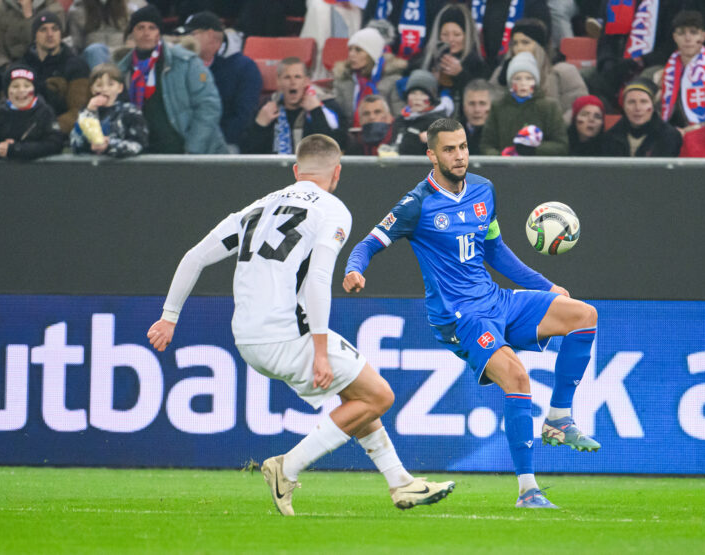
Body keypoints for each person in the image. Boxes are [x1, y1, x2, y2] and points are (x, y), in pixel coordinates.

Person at [147, 134, 455, 516]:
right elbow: (318, 279)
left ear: (296, 171)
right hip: (287, 333)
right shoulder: (332, 209)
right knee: (379, 397)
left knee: (357, 395)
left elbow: (194, 257)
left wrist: (169, 318)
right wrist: (320, 352)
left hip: (247, 337)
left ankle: (400, 482)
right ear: (337, 172)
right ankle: (286, 467)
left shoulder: (256, 207)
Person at [344, 118, 599, 509]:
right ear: (432, 155)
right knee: (516, 375)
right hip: (461, 317)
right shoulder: (416, 204)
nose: (459, 155)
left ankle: (558, 418)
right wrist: (354, 269)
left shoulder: (483, 189)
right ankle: (528, 490)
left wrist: (546, 286)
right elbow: (368, 243)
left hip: (496, 300)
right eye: (449, 149)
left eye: (463, 146)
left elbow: (495, 251)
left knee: (583, 315)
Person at [117, 5, 228, 154]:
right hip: (147, 154)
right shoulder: (122, 70)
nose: (146, 33)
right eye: (140, 27)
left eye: (152, 28)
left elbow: (209, 106)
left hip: (191, 154)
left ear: (159, 33)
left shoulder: (186, 62)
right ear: (132, 33)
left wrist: (193, 150)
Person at [180, 10, 262, 149]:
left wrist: (211, 142)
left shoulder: (244, 67)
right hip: (188, 143)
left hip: (227, 145)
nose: (185, 41)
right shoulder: (184, 65)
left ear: (210, 35)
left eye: (191, 34)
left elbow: (243, 117)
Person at [241, 57, 347, 155]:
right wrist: (259, 126)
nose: (293, 82)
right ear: (278, 81)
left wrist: (316, 112)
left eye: (298, 77)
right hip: (275, 168)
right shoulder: (266, 107)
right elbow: (248, 152)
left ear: (306, 81)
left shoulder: (327, 106)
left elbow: (336, 148)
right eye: (287, 77)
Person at [492, 18, 587, 122]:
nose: (518, 48)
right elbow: (491, 108)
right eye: (515, 43)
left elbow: (580, 107)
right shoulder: (501, 73)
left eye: (525, 42)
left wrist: (555, 127)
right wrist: (503, 81)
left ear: (540, 46)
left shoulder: (563, 72)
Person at [653, 10, 705, 131]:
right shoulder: (661, 75)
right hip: (672, 134)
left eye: (693, 32)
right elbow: (653, 114)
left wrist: (691, 131)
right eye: (681, 33)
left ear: (703, 36)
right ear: (674, 37)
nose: (688, 38)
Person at [481, 51, 568, 156]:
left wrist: (534, 150)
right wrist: (501, 156)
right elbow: (487, 144)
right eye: (517, 78)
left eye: (528, 78)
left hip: (538, 165)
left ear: (535, 81)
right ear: (510, 82)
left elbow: (561, 145)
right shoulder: (498, 107)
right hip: (506, 165)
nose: (523, 83)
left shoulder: (549, 107)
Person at [413, 4, 487, 119]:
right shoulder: (426, 61)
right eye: (445, 34)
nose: (450, 39)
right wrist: (430, 81)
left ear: (466, 36)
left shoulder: (476, 64)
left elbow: (480, 99)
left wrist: (460, 75)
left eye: (457, 34)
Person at [22, 11, 91, 134]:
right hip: (24, 131)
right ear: (34, 36)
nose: (50, 34)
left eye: (55, 29)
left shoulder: (77, 65)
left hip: (59, 133)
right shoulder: (22, 66)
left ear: (61, 34)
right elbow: (7, 107)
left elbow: (79, 111)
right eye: (43, 30)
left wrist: (50, 128)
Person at [70, 62, 149, 157]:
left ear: (120, 88)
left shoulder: (130, 112)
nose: (105, 89)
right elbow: (75, 143)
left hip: (121, 165)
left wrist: (109, 144)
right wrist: (89, 112)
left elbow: (139, 144)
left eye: (110, 84)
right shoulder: (85, 113)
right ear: (92, 89)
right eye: (99, 85)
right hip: (91, 164)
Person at [332, 26, 406, 127]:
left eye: (358, 50)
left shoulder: (393, 81)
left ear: (372, 54)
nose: (351, 54)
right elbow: (339, 119)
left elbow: (399, 117)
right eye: (350, 49)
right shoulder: (343, 80)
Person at [0, 63, 65, 160]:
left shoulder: (45, 113)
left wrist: (16, 149)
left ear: (34, 90)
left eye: (27, 86)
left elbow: (55, 144)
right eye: (15, 86)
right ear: (7, 91)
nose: (21, 90)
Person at [601, 77, 682, 157]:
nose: (637, 108)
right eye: (631, 102)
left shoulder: (669, 136)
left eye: (643, 102)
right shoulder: (610, 137)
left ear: (652, 106)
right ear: (624, 106)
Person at [66, 0, 147, 68]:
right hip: (92, 58)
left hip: (122, 55)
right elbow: (77, 45)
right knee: (96, 49)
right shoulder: (78, 10)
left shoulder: (133, 6)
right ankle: (103, 80)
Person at [0, 0, 65, 73]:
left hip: (44, 65)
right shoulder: (1, 6)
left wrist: (28, 16)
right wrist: (8, 68)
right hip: (10, 66)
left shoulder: (52, 6)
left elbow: (49, 44)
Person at [393, 69, 451, 155]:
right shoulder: (400, 120)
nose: (417, 98)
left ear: (432, 98)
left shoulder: (439, 124)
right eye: (413, 93)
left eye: (423, 93)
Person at [461, 79, 492, 155]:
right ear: (464, 107)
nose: (477, 110)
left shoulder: (500, 134)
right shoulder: (451, 133)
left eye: (482, 103)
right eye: (471, 103)